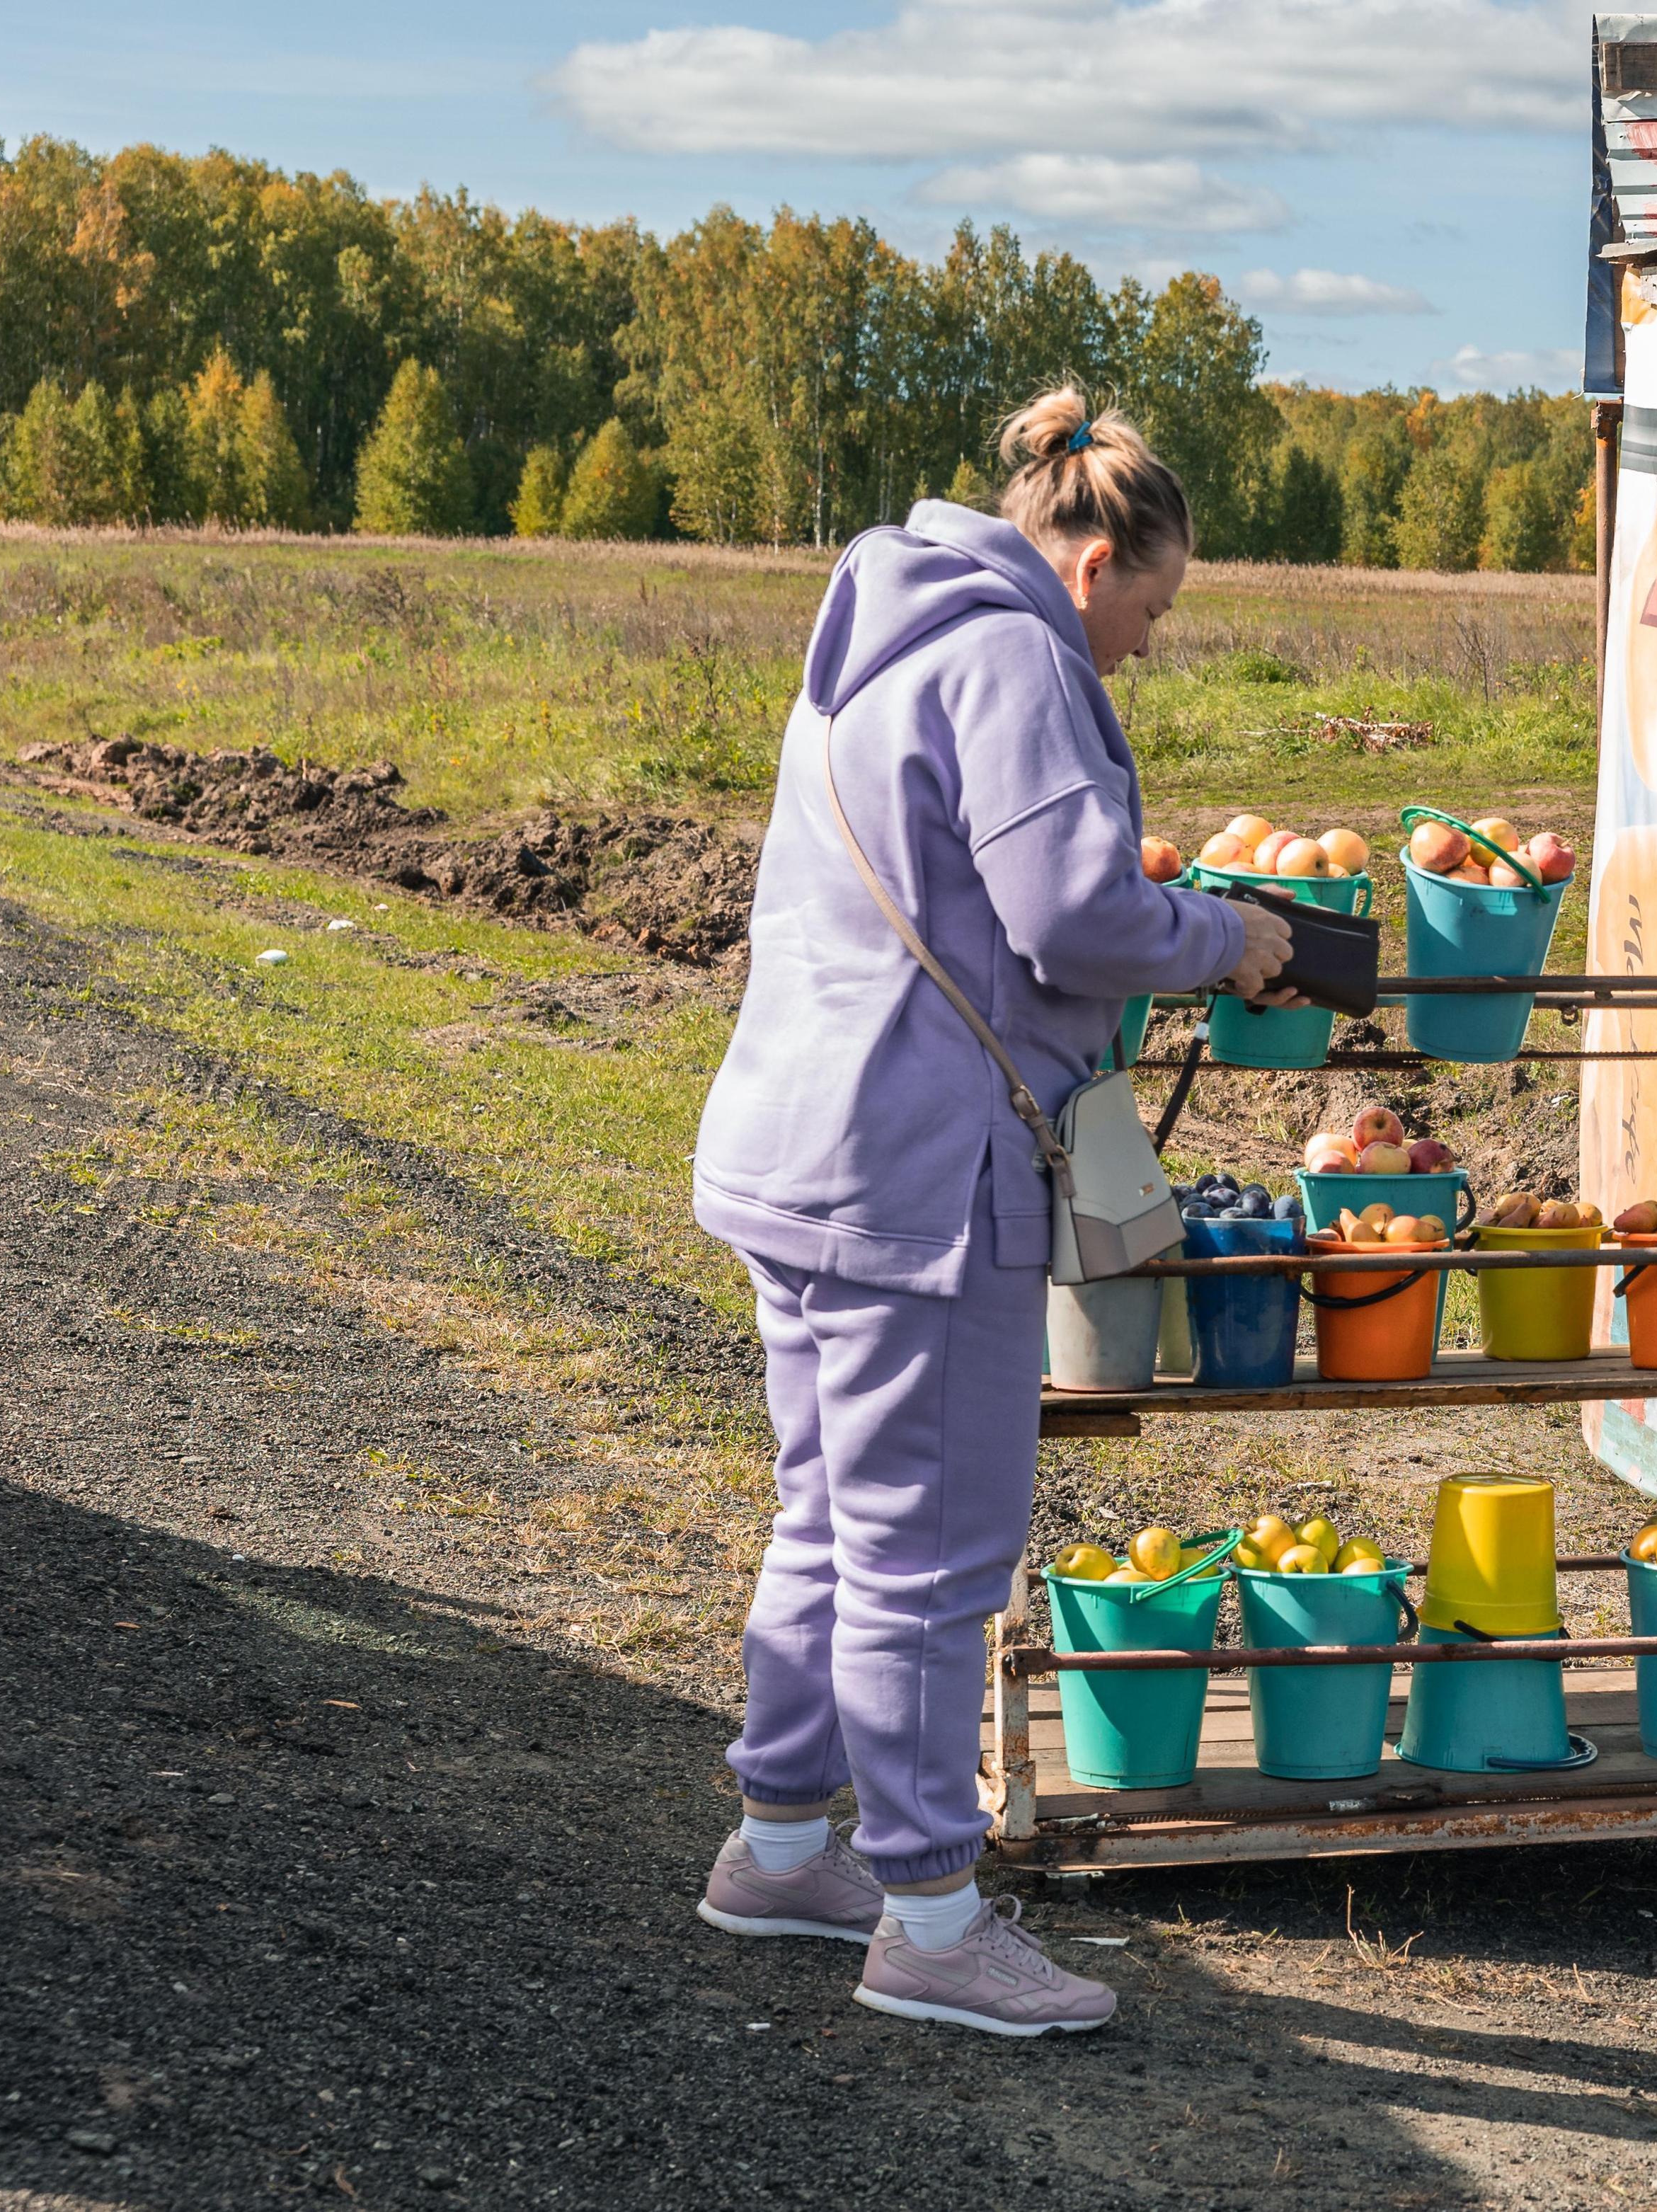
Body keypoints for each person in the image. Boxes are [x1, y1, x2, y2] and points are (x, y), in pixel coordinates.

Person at [683, 390, 1290, 2036]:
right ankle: (933, 1923)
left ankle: (779, 1845)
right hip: (919, 1177)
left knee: (825, 1515)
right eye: (1150, 611)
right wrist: (1216, 936)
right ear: (1091, 561)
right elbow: (1075, 911)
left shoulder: (875, 634)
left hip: (795, 1141)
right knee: (933, 1559)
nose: (1146, 649)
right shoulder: (1016, 657)